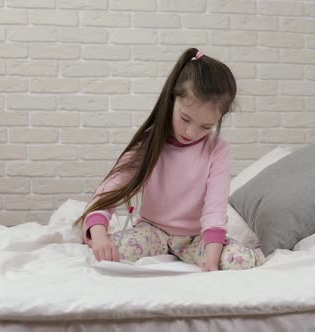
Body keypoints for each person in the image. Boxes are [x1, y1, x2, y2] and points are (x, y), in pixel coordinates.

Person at [73, 48, 264, 272]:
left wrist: (211, 261)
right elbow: (110, 189)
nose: (192, 132)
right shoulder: (149, 143)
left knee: (245, 261)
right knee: (109, 252)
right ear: (172, 99)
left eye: (205, 127)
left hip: (195, 239)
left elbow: (215, 209)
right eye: (185, 118)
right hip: (152, 231)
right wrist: (99, 236)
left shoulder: (217, 150)